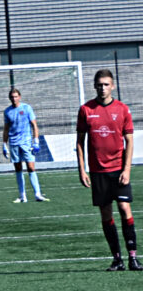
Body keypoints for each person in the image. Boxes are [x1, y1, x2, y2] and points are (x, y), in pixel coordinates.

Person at [76, 69, 141, 271]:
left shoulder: (122, 109)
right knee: (106, 214)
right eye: (99, 85)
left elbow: (129, 141)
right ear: (94, 86)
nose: (102, 88)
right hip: (98, 172)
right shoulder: (86, 110)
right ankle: (117, 259)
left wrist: (127, 170)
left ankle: (133, 257)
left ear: (112, 86)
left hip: (119, 169)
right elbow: (80, 142)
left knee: (124, 208)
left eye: (106, 84)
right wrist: (82, 169)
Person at [2, 88, 48, 202]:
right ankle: (22, 195)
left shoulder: (27, 108)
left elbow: (34, 125)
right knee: (18, 168)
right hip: (14, 143)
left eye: (16, 96)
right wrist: (4, 144)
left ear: (20, 97)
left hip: (26, 142)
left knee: (31, 167)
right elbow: (6, 129)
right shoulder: (7, 111)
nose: (14, 99)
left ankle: (37, 194)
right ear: (9, 98)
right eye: (12, 97)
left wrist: (36, 141)